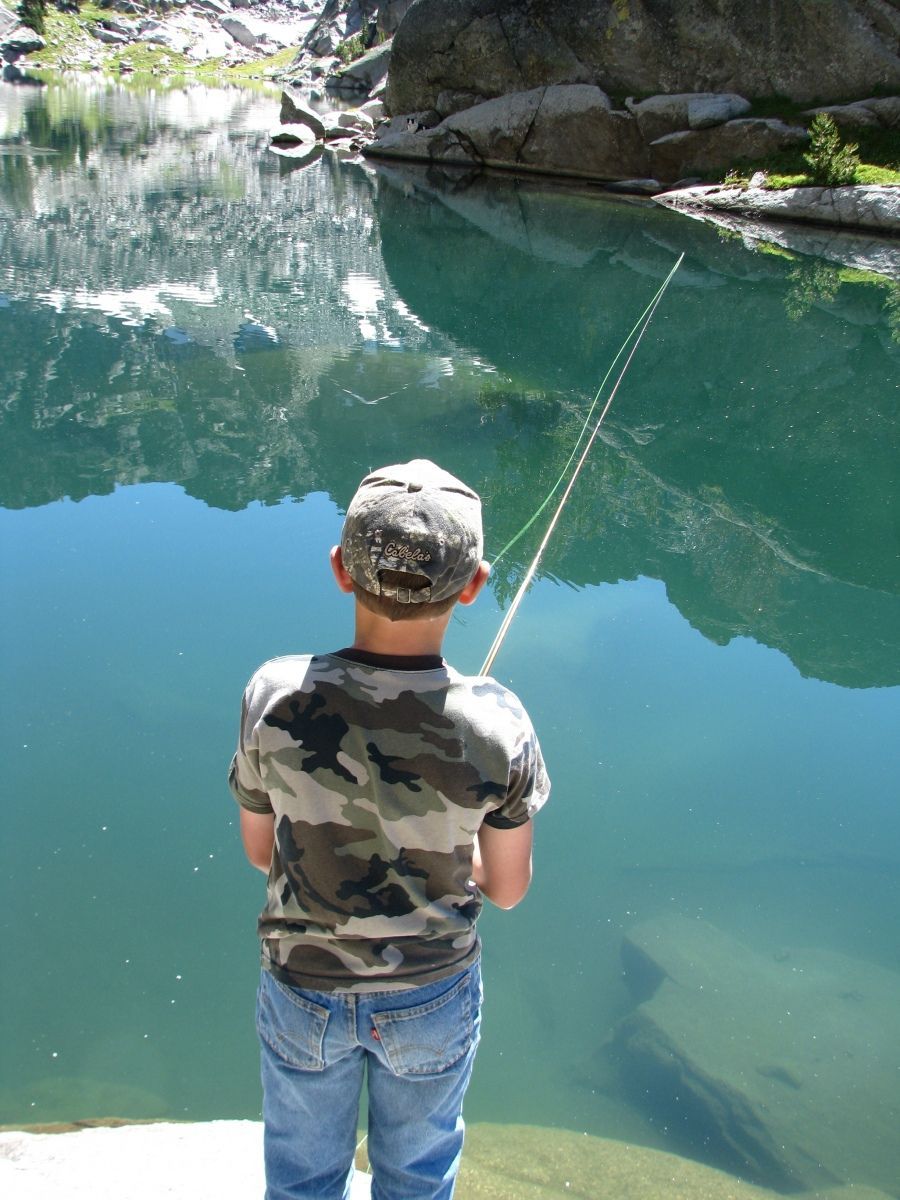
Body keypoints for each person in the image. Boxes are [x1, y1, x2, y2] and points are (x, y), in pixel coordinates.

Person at [228, 459, 550, 1200]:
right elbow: (506, 890)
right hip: (430, 999)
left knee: (303, 1180)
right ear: (473, 585)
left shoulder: (275, 692)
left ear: (341, 569)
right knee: (418, 1178)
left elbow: (258, 850)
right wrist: (457, 849)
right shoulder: (500, 721)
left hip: (302, 991)